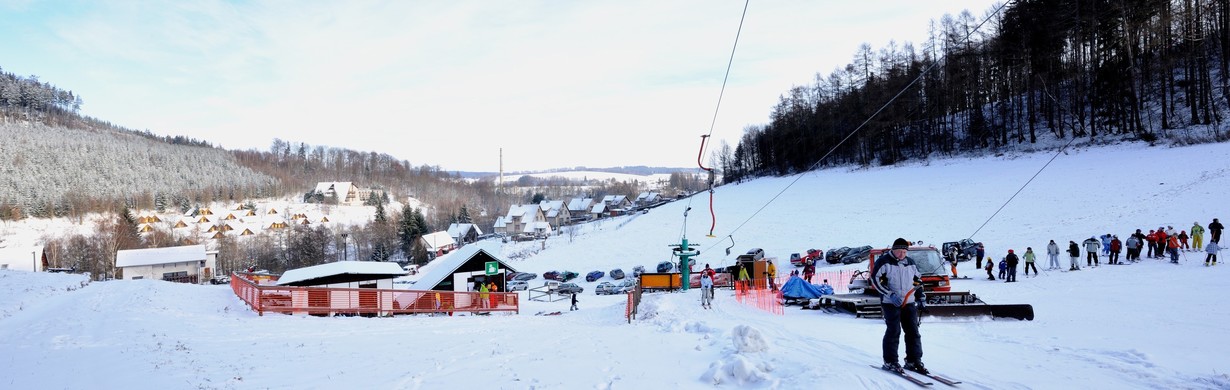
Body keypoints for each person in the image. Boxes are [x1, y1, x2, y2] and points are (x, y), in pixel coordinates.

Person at [872, 238, 927, 375]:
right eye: (899, 252)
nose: (902, 255)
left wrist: (921, 296)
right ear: (893, 250)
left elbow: (918, 281)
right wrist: (889, 294)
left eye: (904, 251)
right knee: (894, 331)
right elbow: (875, 279)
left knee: (913, 332)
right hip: (891, 303)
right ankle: (890, 361)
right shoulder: (884, 261)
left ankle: (913, 360)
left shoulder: (910, 262)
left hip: (908, 302)